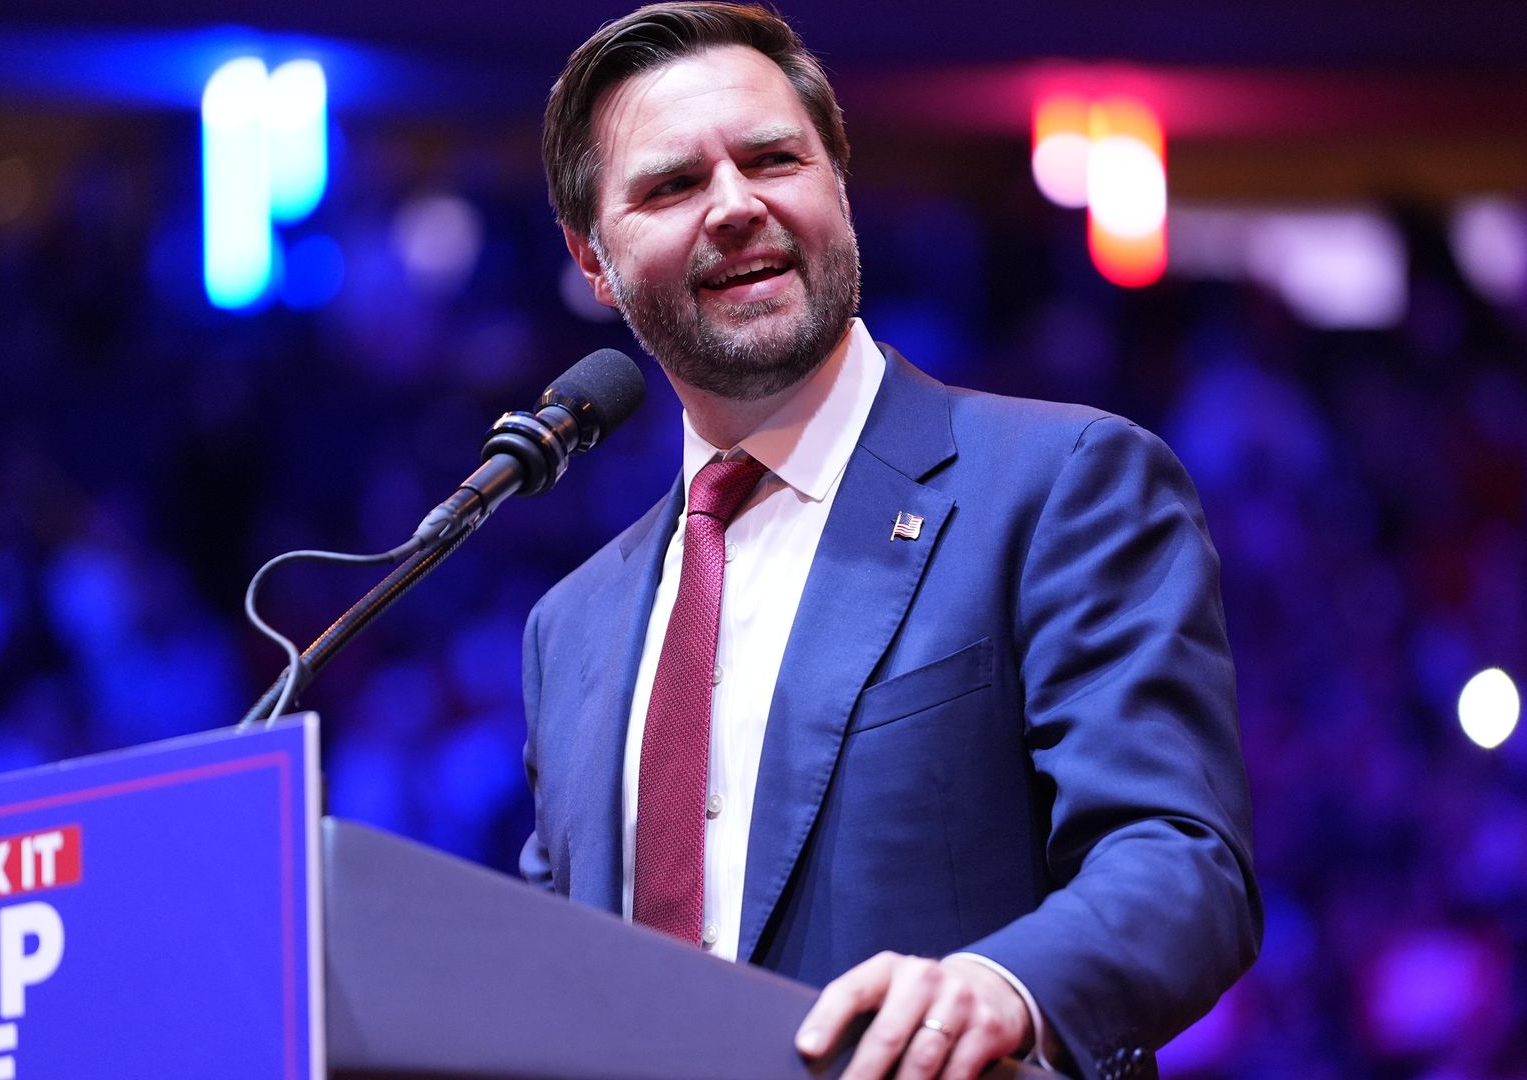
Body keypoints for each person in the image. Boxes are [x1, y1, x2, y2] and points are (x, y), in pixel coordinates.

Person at [518, 5, 1260, 1078]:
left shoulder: (1059, 485)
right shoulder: (571, 625)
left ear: (837, 187)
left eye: (775, 158)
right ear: (593, 257)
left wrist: (1005, 986)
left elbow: (1181, 864)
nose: (737, 206)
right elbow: (553, 979)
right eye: (674, 185)